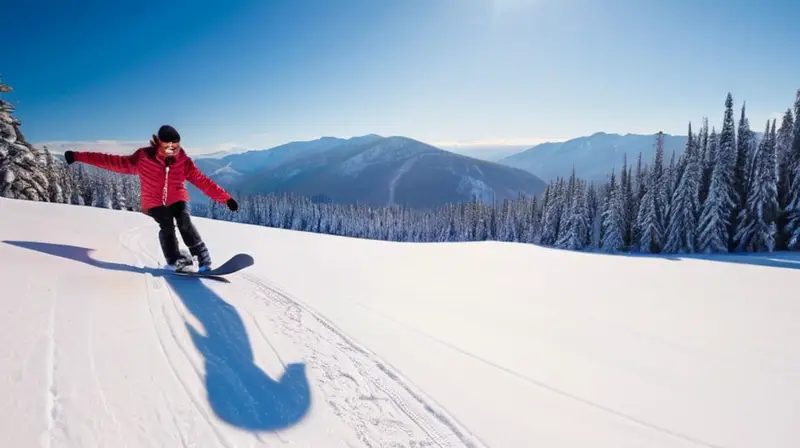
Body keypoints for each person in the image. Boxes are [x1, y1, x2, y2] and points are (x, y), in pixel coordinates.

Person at [64, 125, 239, 272]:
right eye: (168, 146)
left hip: (177, 197)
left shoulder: (183, 161)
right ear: (158, 143)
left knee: (184, 221)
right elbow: (110, 161)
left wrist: (225, 198)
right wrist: (77, 156)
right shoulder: (143, 158)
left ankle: (202, 258)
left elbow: (202, 181)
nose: (172, 150)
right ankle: (174, 260)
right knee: (167, 224)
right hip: (154, 202)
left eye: (175, 147)